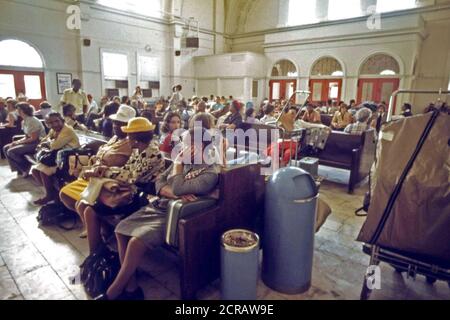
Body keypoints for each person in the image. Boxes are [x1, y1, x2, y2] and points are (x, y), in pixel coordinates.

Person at [96, 127, 220, 300]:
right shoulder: (187, 161)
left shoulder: (209, 173)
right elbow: (159, 183)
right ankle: (132, 289)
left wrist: (177, 166)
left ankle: (112, 292)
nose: (181, 149)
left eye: (186, 145)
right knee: (121, 230)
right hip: (160, 206)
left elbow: (176, 186)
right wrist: (174, 192)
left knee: (136, 241)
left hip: (176, 217)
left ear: (200, 147)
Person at [75, 117, 165, 257]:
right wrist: (108, 170)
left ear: (136, 138)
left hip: (141, 197)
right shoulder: (138, 150)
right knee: (88, 207)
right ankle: (97, 250)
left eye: (129, 136)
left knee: (90, 211)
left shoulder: (152, 153)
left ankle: (95, 253)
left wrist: (106, 170)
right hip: (130, 191)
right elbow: (126, 170)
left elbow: (130, 177)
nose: (126, 138)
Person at [59, 105, 136, 215]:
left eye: (120, 124)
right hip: (95, 177)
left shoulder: (131, 143)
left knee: (83, 204)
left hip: (108, 183)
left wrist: (105, 168)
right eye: (115, 122)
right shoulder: (114, 138)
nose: (115, 126)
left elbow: (129, 169)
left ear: (130, 126)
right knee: (65, 193)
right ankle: (87, 221)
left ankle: (98, 226)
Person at [31, 112, 80, 205]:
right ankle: (53, 194)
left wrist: (50, 141)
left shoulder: (67, 130)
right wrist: (50, 141)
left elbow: (55, 145)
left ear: (62, 120)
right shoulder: (54, 130)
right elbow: (44, 140)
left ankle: (50, 195)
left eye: (57, 121)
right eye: (50, 123)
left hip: (69, 159)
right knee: (35, 170)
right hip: (57, 157)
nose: (54, 124)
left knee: (44, 172)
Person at [3, 103, 46, 177]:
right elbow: (26, 136)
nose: (16, 111)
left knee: (11, 151)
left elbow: (34, 138)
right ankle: (19, 169)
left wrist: (18, 143)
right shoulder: (24, 121)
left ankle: (25, 167)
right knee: (6, 147)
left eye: (18, 109)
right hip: (31, 142)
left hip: (38, 143)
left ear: (22, 111)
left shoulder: (32, 121)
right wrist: (17, 142)